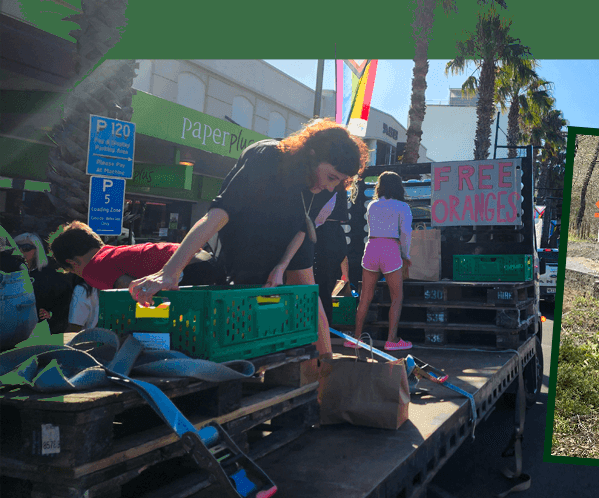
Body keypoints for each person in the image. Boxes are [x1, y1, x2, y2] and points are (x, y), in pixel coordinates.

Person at [128, 119, 369, 360]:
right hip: (247, 232)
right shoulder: (267, 157)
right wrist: (170, 271)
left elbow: (304, 228)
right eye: (330, 177)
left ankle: (326, 373)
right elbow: (219, 213)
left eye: (337, 181)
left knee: (310, 298)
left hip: (292, 240)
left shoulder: (326, 186)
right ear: (312, 153)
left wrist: (282, 266)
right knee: (245, 302)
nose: (329, 186)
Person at [49, 221, 224, 291]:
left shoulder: (93, 270)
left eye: (72, 271)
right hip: (202, 258)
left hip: (190, 270)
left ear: (73, 262)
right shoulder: (112, 254)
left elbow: (131, 291)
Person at [352, 171, 413, 351]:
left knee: (365, 297)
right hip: (391, 248)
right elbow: (405, 233)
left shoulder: (372, 205)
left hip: (371, 246)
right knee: (396, 297)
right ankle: (392, 340)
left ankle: (357, 339)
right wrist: (406, 255)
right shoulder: (403, 207)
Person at [13, 232, 72, 334]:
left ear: (37, 250)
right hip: (10, 327)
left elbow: (64, 304)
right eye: (17, 247)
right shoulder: (7, 273)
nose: (20, 250)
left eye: (26, 247)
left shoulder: (50, 276)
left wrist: (50, 314)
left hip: (37, 330)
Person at [313, 187, 351, 327]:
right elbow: (343, 252)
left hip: (319, 233)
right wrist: (345, 274)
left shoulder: (321, 187)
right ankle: (326, 326)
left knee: (320, 286)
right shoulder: (340, 189)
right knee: (327, 287)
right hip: (332, 235)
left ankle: (322, 326)